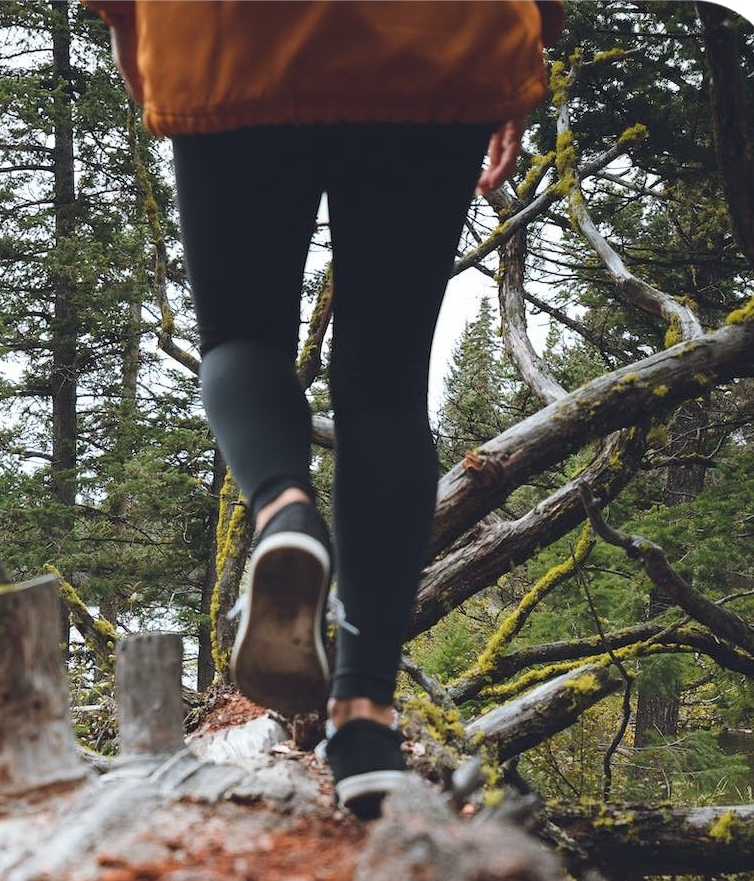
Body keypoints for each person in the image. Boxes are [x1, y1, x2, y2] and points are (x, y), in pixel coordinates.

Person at [83, 0, 564, 818]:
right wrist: (525, 48)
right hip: (437, 41)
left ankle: (286, 512)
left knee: (242, 338)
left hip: (231, 33)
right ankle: (365, 723)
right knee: (385, 381)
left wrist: (132, 28)